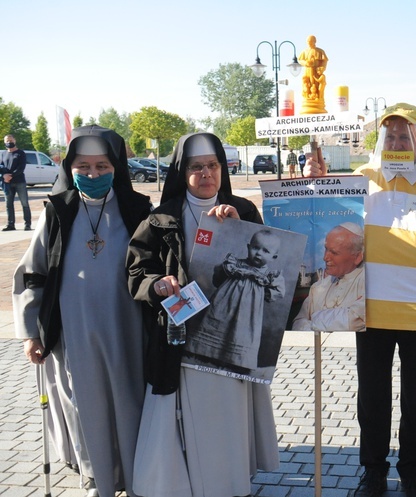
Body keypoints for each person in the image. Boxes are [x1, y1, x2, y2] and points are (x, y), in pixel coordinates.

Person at [304, 103, 416, 497]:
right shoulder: (363, 178)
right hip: (371, 309)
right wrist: (318, 180)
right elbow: (322, 208)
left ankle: (412, 470)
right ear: (381, 140)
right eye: (389, 135)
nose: (396, 142)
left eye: (404, 135)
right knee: (372, 395)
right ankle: (373, 471)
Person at [126, 132, 279, 497]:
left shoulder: (242, 210)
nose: (206, 174)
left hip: (233, 332)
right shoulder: (160, 218)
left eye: (213, 166)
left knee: (226, 414)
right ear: (183, 171)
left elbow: (274, 259)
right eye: (197, 167)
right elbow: (136, 271)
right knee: (183, 414)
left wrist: (238, 227)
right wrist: (157, 285)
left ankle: (229, 483)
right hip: (181, 336)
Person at [13, 125, 152, 497]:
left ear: (117, 167)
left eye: (102, 166)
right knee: (83, 404)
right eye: (84, 166)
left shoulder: (138, 209)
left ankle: (138, 476)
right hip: (74, 332)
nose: (92, 175)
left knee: (130, 401)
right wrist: (31, 331)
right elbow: (32, 273)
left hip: (128, 329)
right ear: (69, 167)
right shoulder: (58, 212)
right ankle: (96, 476)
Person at [190, 228, 284, 369]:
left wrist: (261, 291)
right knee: (216, 326)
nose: (259, 253)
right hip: (223, 305)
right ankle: (206, 355)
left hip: (248, 313)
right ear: (248, 247)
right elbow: (217, 280)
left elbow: (278, 292)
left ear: (274, 257)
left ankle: (234, 362)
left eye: (266, 251)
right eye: (255, 248)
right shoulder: (234, 264)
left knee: (240, 334)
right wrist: (223, 270)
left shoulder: (269, 276)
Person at [292, 222, 365, 332]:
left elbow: (354, 322)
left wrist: (314, 319)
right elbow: (298, 323)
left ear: (357, 257)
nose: (325, 258)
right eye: (326, 249)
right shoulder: (318, 288)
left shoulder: (369, 284)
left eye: (334, 253)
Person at [1, 134, 32, 231]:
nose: (9, 142)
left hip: (19, 182)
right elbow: (1, 167)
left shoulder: (20, 153)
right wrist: (4, 176)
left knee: (24, 203)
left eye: (11, 140)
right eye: (7, 140)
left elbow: (21, 168)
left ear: (15, 141)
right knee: (8, 204)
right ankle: (11, 224)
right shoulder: (3, 154)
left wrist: (11, 176)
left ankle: (27, 224)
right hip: (7, 183)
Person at [298, 35, 328, 101]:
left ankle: (317, 97)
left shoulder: (320, 51)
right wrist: (306, 63)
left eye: (311, 41)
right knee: (307, 84)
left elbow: (324, 61)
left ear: (315, 41)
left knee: (316, 85)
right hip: (307, 71)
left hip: (316, 71)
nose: (309, 43)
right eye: (308, 41)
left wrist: (322, 68)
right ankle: (308, 96)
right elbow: (300, 60)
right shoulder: (304, 51)